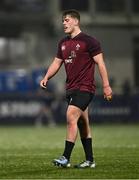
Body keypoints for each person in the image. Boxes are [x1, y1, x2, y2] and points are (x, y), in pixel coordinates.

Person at [40, 9, 112, 168]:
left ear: (76, 21)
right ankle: (90, 160)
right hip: (71, 88)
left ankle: (65, 157)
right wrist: (46, 77)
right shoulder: (63, 43)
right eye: (63, 21)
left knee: (71, 115)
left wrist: (106, 85)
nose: (63, 23)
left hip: (85, 87)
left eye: (66, 20)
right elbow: (56, 63)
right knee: (83, 123)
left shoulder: (89, 41)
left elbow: (100, 63)